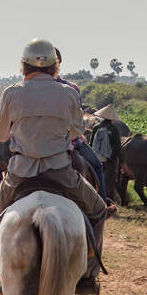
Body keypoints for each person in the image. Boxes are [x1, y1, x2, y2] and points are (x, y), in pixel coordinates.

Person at [0, 38, 111, 293]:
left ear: (23, 66)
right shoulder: (68, 93)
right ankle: (88, 275)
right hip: (61, 171)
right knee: (98, 210)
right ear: (55, 67)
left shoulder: (11, 93)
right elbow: (78, 128)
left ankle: (2, 270)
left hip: (20, 173)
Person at [49, 49, 108, 201]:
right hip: (72, 143)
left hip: (36, 144)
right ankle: (103, 204)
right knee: (97, 166)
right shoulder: (71, 88)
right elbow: (77, 120)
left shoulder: (27, 89)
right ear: (58, 63)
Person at [89, 104, 123, 204]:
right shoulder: (114, 129)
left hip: (97, 158)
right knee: (110, 182)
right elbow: (117, 146)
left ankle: (94, 199)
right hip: (110, 160)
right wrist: (113, 158)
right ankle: (108, 202)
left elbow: (91, 144)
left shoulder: (96, 127)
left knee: (95, 178)